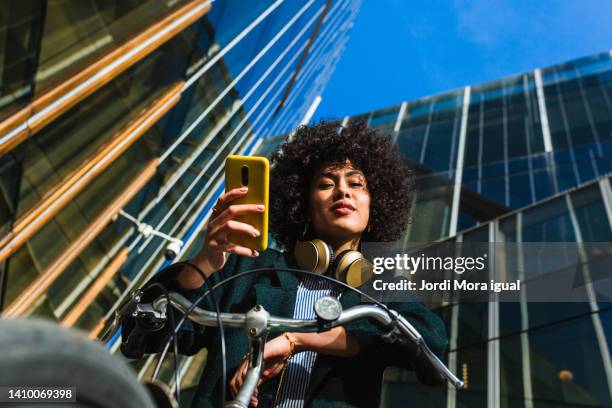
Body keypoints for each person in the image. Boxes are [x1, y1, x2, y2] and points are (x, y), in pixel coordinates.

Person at [124, 120, 448, 408]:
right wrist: (204, 263)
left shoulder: (381, 287)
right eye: (325, 183)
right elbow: (144, 334)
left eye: (356, 183)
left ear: (375, 205)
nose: (342, 191)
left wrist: (298, 340)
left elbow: (431, 343)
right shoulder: (248, 267)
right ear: (302, 204)